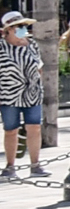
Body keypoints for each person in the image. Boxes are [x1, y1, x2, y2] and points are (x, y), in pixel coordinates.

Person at [0, 13, 47, 180]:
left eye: (23, 26)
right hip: (8, 94)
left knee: (34, 127)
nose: (22, 30)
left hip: (32, 93)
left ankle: (35, 165)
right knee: (10, 129)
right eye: (18, 27)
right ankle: (10, 166)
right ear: (8, 30)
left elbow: (39, 66)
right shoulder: (2, 47)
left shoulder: (31, 44)